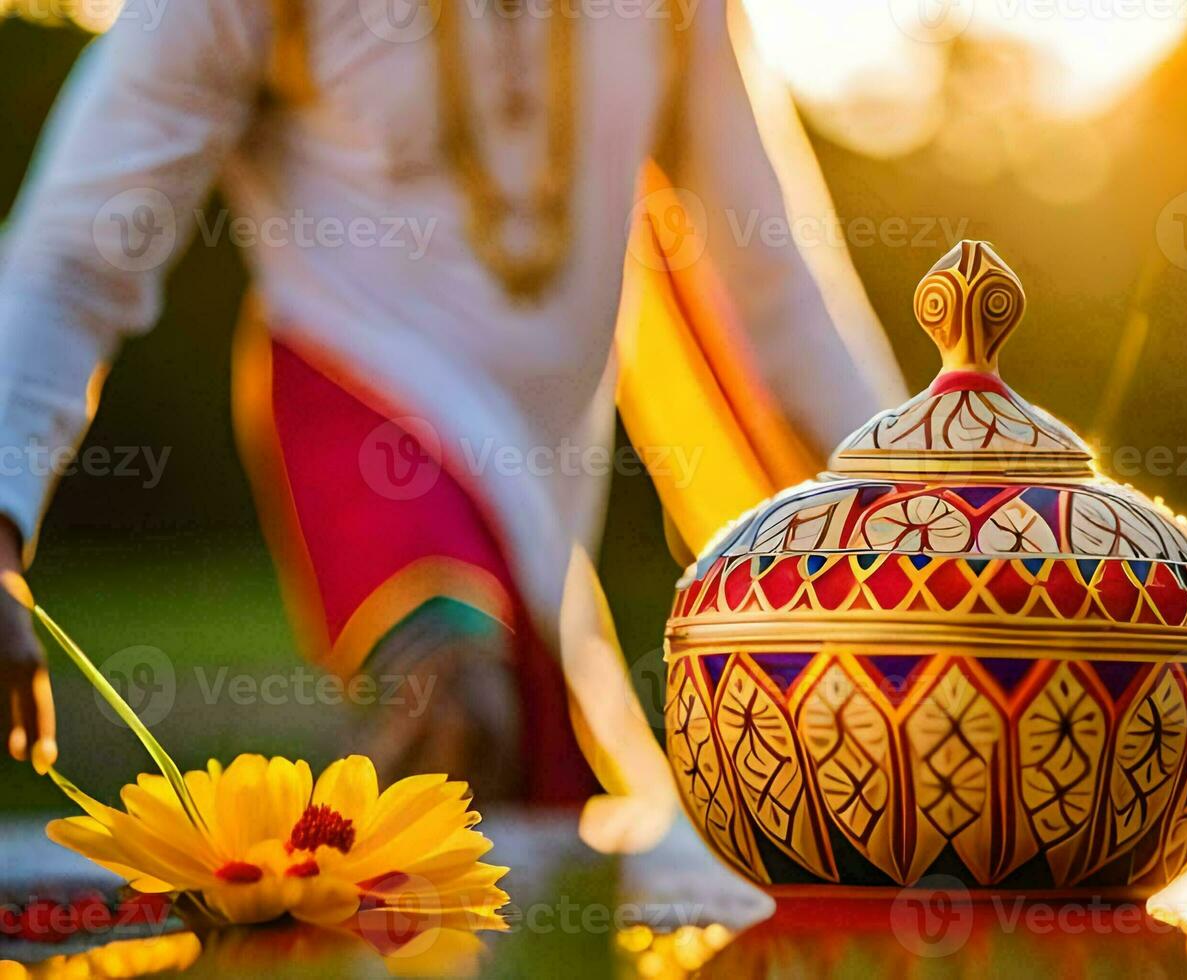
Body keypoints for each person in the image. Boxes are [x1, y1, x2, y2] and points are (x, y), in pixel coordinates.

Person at [0, 0, 903, 805]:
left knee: (563, 804)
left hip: (548, 483)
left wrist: (930, 524)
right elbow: (78, 253)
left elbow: (777, 287)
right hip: (357, 399)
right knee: (457, 708)